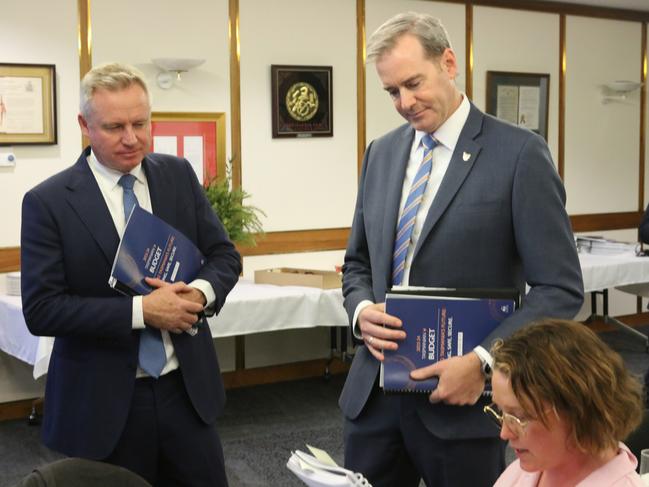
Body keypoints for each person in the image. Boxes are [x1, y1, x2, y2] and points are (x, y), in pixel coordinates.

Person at [339, 12, 584, 487]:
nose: (405, 103)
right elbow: (358, 262)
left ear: (448, 62)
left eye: (413, 83)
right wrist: (360, 308)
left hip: (468, 410)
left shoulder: (519, 155)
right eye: (392, 91)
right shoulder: (382, 153)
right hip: (373, 403)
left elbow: (559, 289)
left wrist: (483, 362)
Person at [20, 63, 241, 487]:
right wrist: (142, 312)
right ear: (84, 125)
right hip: (104, 406)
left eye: (141, 123)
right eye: (114, 126)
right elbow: (43, 309)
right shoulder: (48, 203)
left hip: (186, 392)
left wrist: (198, 294)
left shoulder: (177, 175)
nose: (131, 138)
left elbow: (223, 255)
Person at [488, 319, 645, 486]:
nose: (505, 433)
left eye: (520, 417)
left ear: (579, 411)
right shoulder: (527, 469)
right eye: (501, 412)